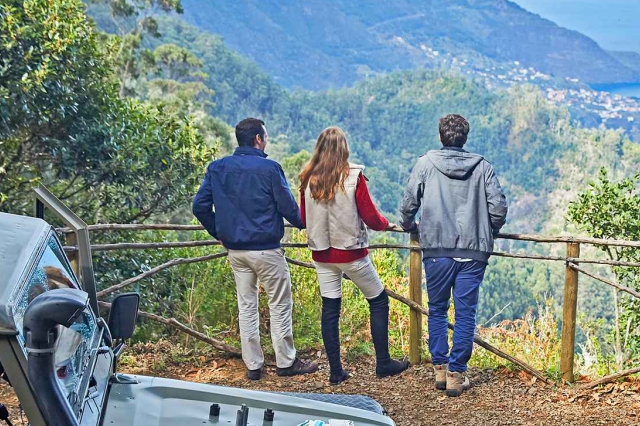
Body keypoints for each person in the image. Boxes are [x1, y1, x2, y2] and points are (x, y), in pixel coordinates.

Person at [192, 117, 318, 379]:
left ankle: (253, 366)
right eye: (266, 136)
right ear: (258, 139)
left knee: (246, 306)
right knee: (279, 304)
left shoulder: (217, 168)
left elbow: (199, 206)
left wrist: (219, 233)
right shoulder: (270, 169)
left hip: (236, 252)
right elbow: (288, 207)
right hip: (266, 250)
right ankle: (285, 362)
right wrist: (305, 222)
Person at [399, 113, 507, 397]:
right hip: (473, 251)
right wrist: (488, 230)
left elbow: (409, 203)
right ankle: (456, 374)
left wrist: (409, 225)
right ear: (465, 138)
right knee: (465, 313)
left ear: (440, 136)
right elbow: (498, 208)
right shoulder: (483, 167)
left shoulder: (426, 164)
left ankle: (439, 367)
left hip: (436, 249)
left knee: (437, 309)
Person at [297, 127, 412, 386]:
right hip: (351, 253)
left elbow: (303, 218)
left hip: (322, 254)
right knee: (378, 300)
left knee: (330, 309)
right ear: (344, 149)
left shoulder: (307, 178)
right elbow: (370, 216)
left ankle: (336, 371)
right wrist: (386, 225)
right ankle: (383, 362)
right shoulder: (353, 177)